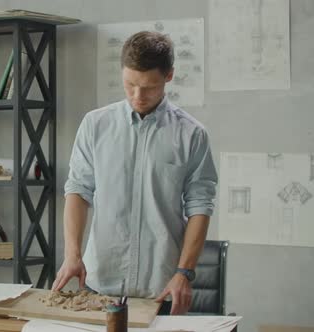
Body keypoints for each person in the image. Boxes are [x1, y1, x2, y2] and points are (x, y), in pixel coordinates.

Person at [52, 31, 218, 315]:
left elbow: (200, 207)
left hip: (161, 290)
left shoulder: (192, 135)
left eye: (149, 87)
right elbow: (78, 191)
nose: (138, 96)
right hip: (99, 286)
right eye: (130, 85)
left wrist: (184, 272)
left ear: (169, 76)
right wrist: (72, 255)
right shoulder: (95, 125)